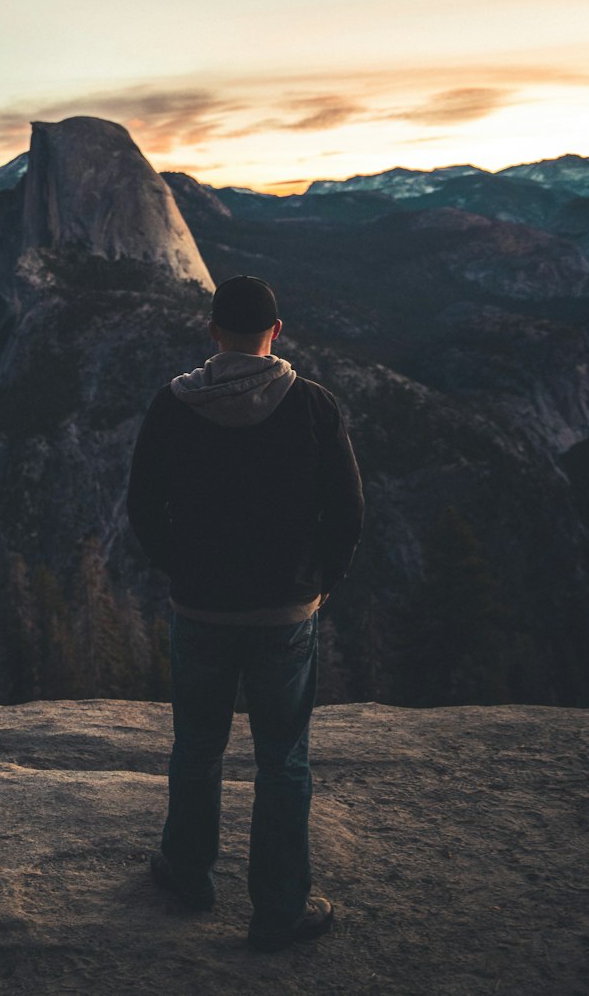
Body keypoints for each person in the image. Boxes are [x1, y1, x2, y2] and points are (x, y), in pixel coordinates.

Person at [126, 274, 364, 952]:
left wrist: (183, 571)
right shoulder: (314, 406)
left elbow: (143, 506)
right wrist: (318, 583)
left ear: (212, 332)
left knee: (196, 747)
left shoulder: (172, 406)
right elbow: (348, 512)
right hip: (285, 614)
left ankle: (188, 872)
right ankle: (279, 909)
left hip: (200, 609)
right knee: (283, 759)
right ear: (276, 332)